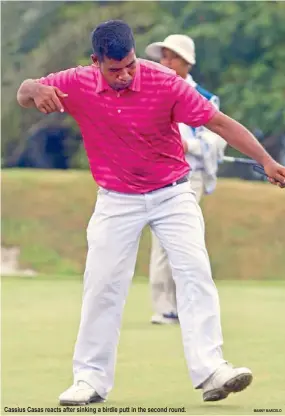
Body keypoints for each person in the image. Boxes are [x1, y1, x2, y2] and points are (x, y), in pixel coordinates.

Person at [17, 20, 285, 407]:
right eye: (114, 69)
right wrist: (36, 89)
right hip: (116, 199)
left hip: (172, 193)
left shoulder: (164, 82)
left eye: (129, 64)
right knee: (101, 284)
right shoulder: (76, 81)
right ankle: (89, 380)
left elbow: (219, 123)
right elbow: (25, 91)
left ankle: (211, 369)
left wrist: (266, 161)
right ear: (96, 63)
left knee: (195, 271)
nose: (125, 75)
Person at [145, 34, 227, 325]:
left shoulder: (203, 97)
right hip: (158, 176)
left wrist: (188, 146)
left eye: (171, 57)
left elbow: (216, 140)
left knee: (184, 241)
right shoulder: (150, 92)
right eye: (163, 56)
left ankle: (185, 305)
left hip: (190, 177)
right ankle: (165, 306)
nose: (165, 62)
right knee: (161, 243)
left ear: (186, 62)